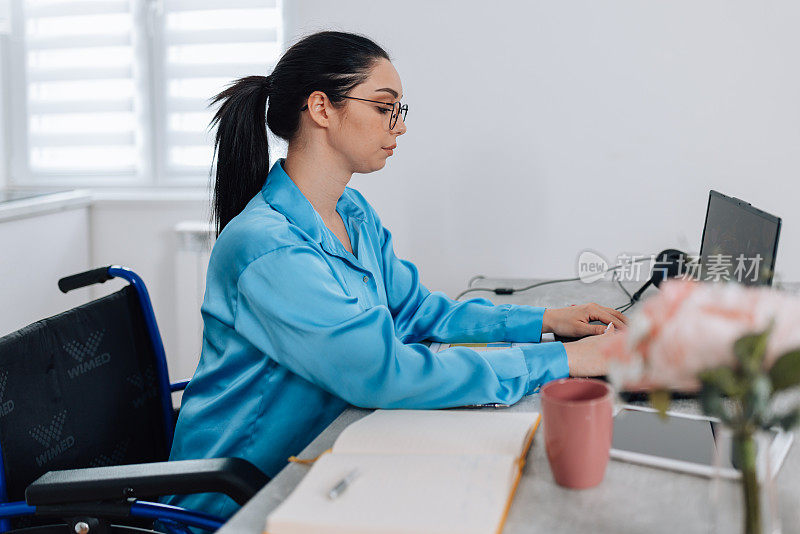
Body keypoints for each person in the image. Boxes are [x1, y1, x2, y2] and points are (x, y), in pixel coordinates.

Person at [163, 31, 627, 519]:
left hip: (321, 462)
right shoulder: (267, 247)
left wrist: (546, 321)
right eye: (386, 108)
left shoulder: (350, 212)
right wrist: (561, 361)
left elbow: (415, 311)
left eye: (400, 111)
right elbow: (384, 375)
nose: (399, 127)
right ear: (321, 108)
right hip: (238, 504)